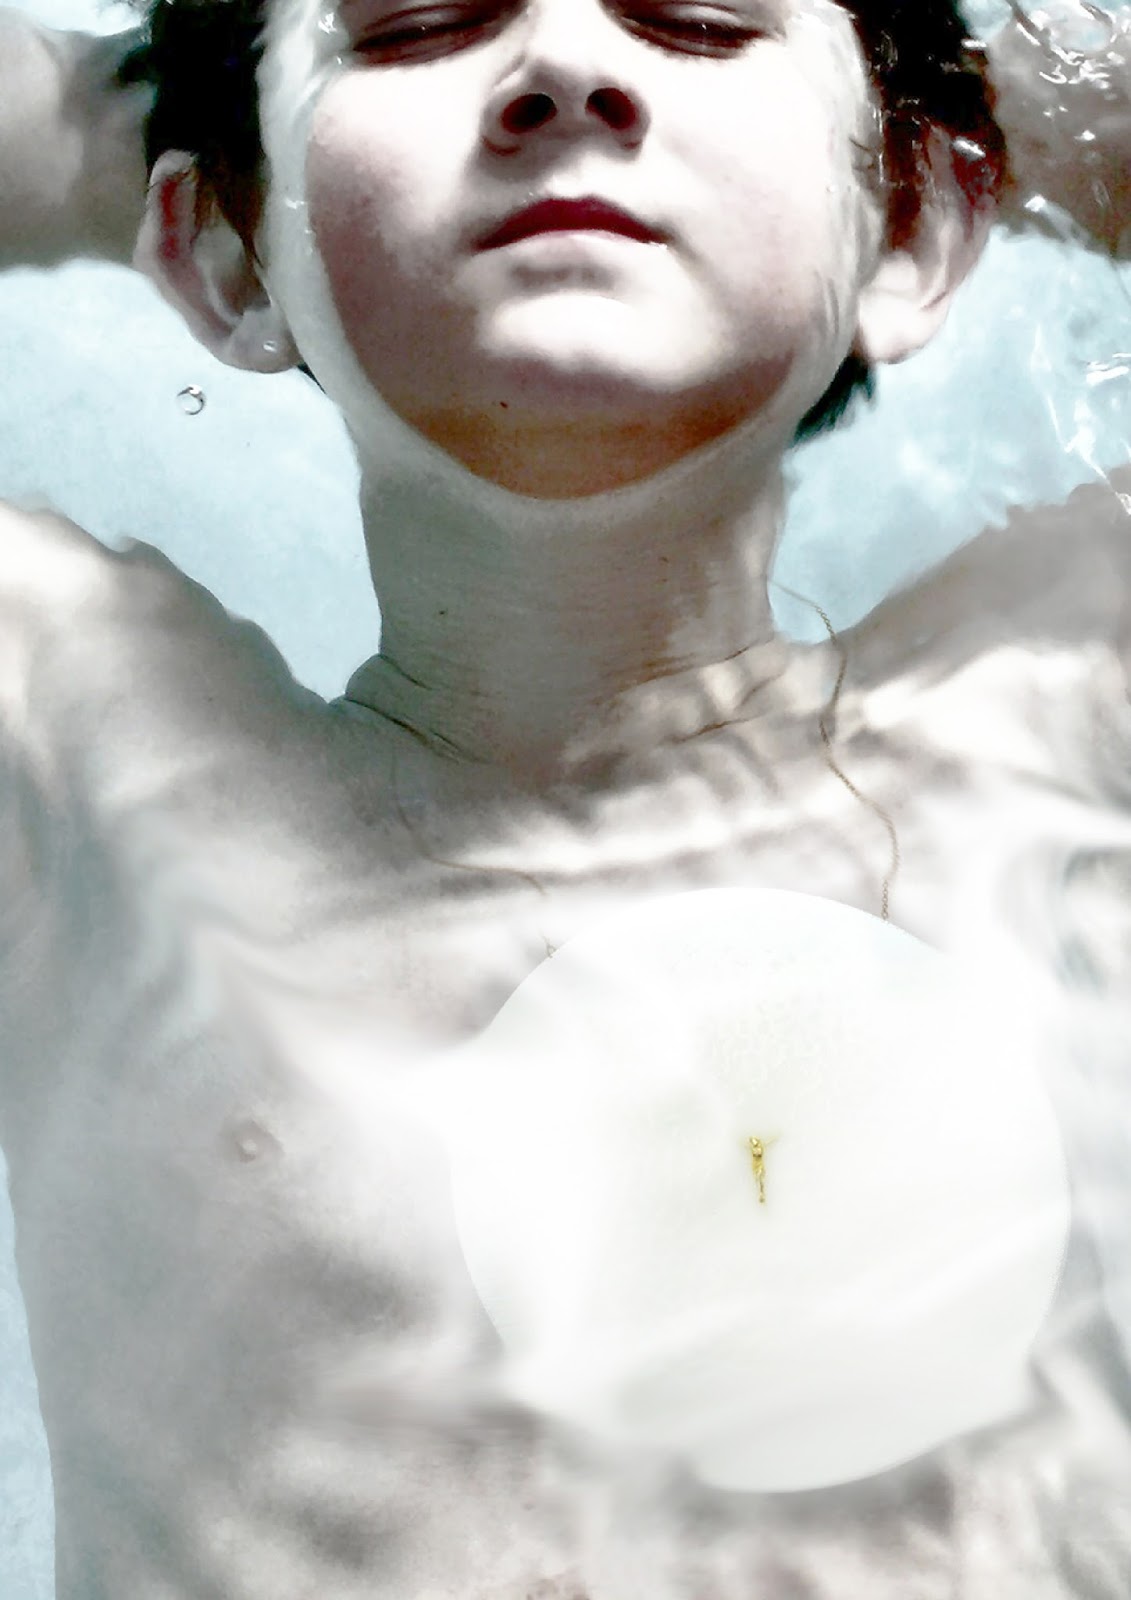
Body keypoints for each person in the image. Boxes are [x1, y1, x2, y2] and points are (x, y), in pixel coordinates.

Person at [2, 0, 1131, 1594]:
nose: (567, 69)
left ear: (918, 229)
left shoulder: (1071, 689)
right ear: (223, 261)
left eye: (701, 15)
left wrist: (955, 105)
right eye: (415, 22)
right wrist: (140, 124)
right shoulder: (87, 761)